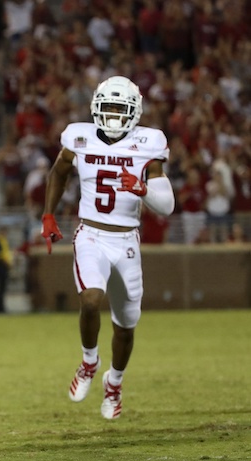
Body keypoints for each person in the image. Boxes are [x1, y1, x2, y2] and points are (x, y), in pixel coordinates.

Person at [42, 75, 174, 420]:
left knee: (126, 325)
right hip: (91, 234)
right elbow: (59, 173)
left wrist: (143, 190)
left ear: (135, 112)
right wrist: (48, 215)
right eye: (109, 107)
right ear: (96, 108)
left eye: (121, 108)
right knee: (90, 298)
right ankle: (89, 361)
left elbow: (168, 204)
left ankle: (113, 383)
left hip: (127, 239)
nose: (114, 115)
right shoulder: (79, 136)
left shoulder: (148, 143)